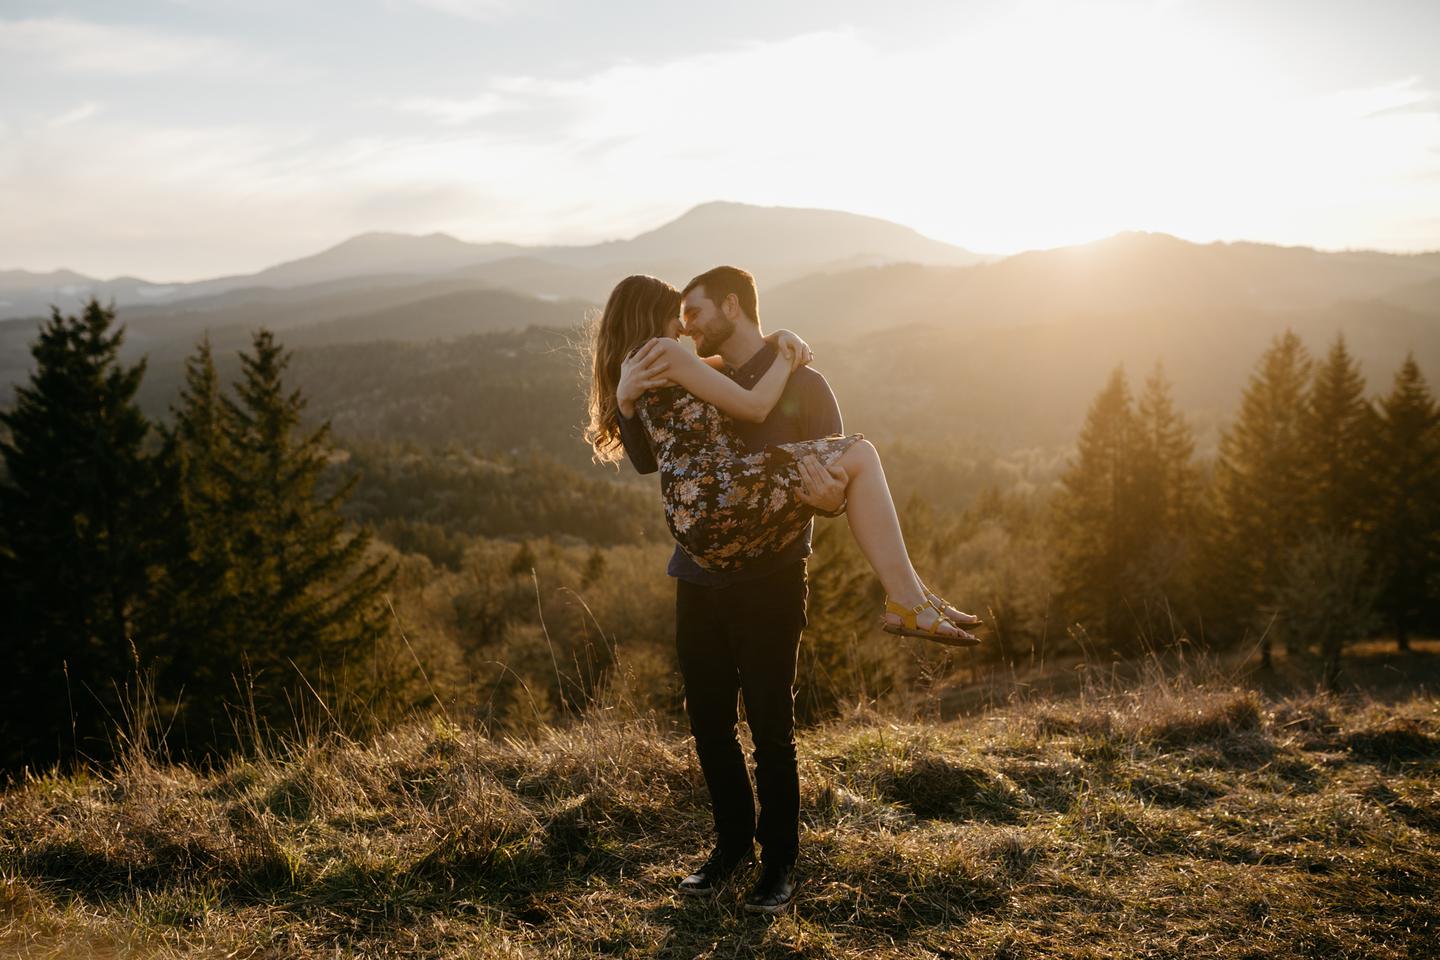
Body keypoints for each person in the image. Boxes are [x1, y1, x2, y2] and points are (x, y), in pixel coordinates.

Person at [583, 268, 980, 914]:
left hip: (764, 573)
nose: (685, 324)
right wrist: (630, 402)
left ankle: (778, 865)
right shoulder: (680, 363)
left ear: (731, 307)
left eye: (694, 311)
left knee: (769, 727)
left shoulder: (794, 385)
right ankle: (733, 848)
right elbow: (673, 444)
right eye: (678, 313)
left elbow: (830, 491)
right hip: (702, 570)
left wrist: (630, 396)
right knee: (711, 724)